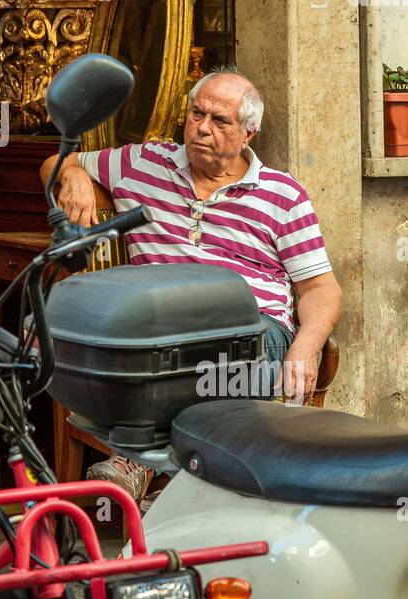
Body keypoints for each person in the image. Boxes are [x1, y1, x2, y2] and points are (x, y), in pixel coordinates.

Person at [42, 67, 342, 405]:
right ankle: (152, 454)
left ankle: (145, 456)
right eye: (196, 113)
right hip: (162, 326)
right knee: (66, 328)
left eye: (219, 121)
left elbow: (319, 288)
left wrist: (306, 345)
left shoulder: (282, 194)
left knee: (208, 359)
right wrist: (72, 174)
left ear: (249, 133)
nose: (202, 128)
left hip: (251, 329)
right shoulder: (142, 164)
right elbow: (55, 161)